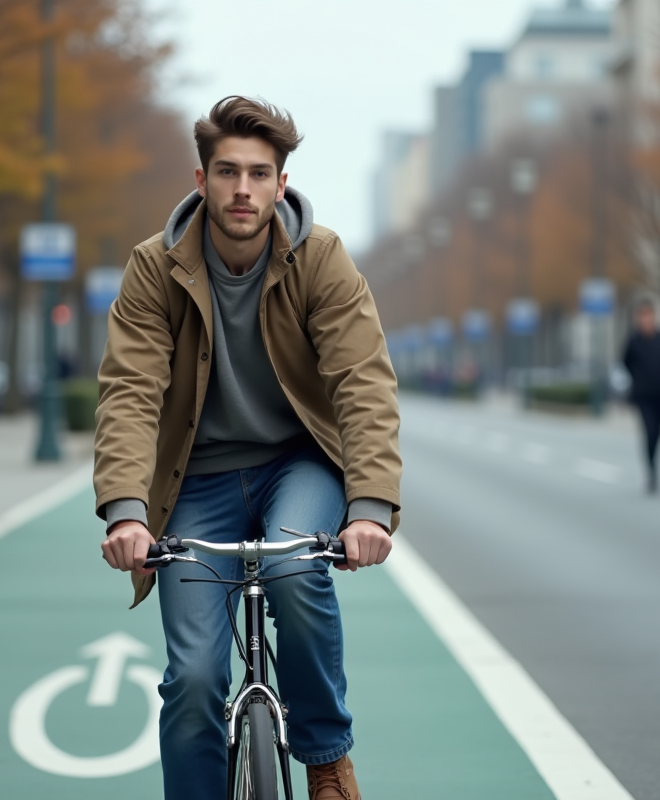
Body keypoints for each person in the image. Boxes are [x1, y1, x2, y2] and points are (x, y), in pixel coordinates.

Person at [94, 96, 400, 800]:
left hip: (297, 466)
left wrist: (371, 508)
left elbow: (364, 383)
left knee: (297, 572)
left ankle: (325, 759)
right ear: (199, 181)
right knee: (194, 677)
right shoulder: (155, 268)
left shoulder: (320, 259)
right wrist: (127, 512)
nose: (243, 189)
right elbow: (130, 392)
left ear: (280, 183)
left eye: (260, 174)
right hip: (195, 481)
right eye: (227, 172)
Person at [622, 300, 660, 493]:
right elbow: (624, 361)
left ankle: (654, 461)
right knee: (649, 431)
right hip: (643, 394)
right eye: (642, 317)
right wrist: (636, 377)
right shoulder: (633, 341)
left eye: (648, 316)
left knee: (658, 432)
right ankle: (651, 470)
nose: (645, 320)